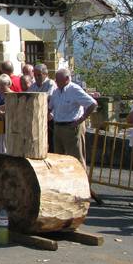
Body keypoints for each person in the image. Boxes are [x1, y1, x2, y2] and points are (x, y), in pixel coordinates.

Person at [48, 68, 102, 204]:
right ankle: (63, 189)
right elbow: (50, 107)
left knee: (77, 158)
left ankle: (83, 190)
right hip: (58, 126)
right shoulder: (56, 91)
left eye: (59, 80)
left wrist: (81, 119)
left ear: (66, 79)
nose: (56, 82)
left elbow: (92, 103)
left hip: (71, 127)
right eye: (56, 79)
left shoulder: (74, 89)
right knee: (59, 158)